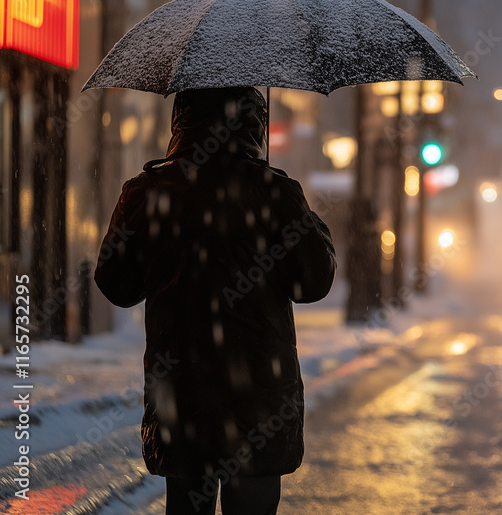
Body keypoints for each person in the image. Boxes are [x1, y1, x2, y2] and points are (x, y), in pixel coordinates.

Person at [95, 87, 337, 515]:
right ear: (254, 121)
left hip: (183, 396)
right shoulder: (274, 192)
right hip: (259, 402)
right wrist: (305, 216)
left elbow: (117, 285)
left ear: (181, 119)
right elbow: (313, 283)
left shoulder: (149, 190)